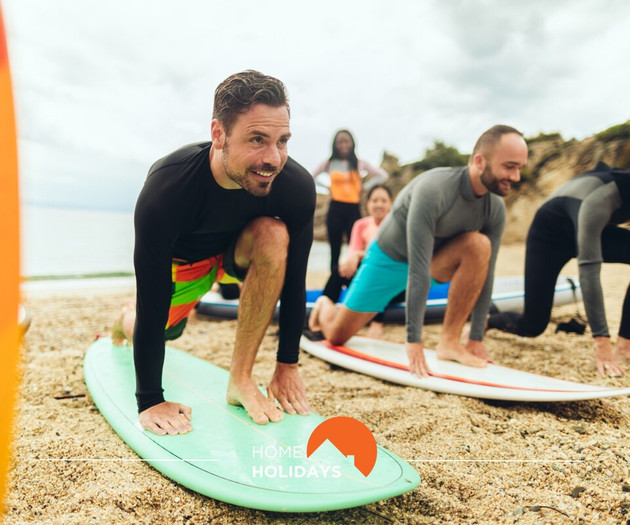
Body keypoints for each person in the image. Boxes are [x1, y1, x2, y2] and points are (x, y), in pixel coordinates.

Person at [113, 70, 316, 435]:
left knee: (273, 234)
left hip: (236, 255)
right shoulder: (168, 189)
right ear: (219, 134)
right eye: (257, 139)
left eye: (282, 141)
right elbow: (153, 297)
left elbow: (295, 282)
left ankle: (239, 379)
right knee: (162, 331)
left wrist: (288, 365)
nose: (273, 158)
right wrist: (150, 400)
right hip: (184, 264)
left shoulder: (296, 188)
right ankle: (121, 320)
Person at [309, 125, 528, 376]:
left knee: (479, 246)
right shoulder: (433, 189)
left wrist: (476, 337)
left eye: (519, 168)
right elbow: (418, 269)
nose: (516, 177)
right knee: (337, 336)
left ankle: (450, 342)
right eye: (509, 166)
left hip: (434, 260)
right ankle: (325, 305)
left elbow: (486, 275)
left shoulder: (494, 209)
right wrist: (413, 341)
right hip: (387, 260)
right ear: (479, 161)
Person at [487, 161, 630, 376]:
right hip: (549, 239)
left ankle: (625, 345)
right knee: (533, 325)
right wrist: (601, 340)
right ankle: (488, 322)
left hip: (590, 230)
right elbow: (589, 271)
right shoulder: (602, 198)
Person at [318, 184, 401, 338]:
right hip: (369, 279)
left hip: (393, 285)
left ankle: (377, 322)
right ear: (367, 204)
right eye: (374, 200)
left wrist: (359, 255)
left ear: (390, 204)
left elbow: (391, 260)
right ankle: (323, 307)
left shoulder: (396, 226)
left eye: (383, 200)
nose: (379, 204)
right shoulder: (361, 225)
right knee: (339, 271)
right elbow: (353, 254)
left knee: (378, 274)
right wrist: (355, 258)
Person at [312, 130, 388, 273]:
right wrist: (327, 187)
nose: (343, 145)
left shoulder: (359, 163)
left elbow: (382, 175)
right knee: (335, 250)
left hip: (353, 209)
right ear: (335, 144)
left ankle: (355, 278)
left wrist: (364, 187)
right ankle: (334, 282)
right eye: (340, 141)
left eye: (346, 141)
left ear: (352, 143)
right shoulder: (329, 164)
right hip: (335, 208)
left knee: (356, 247)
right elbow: (311, 177)